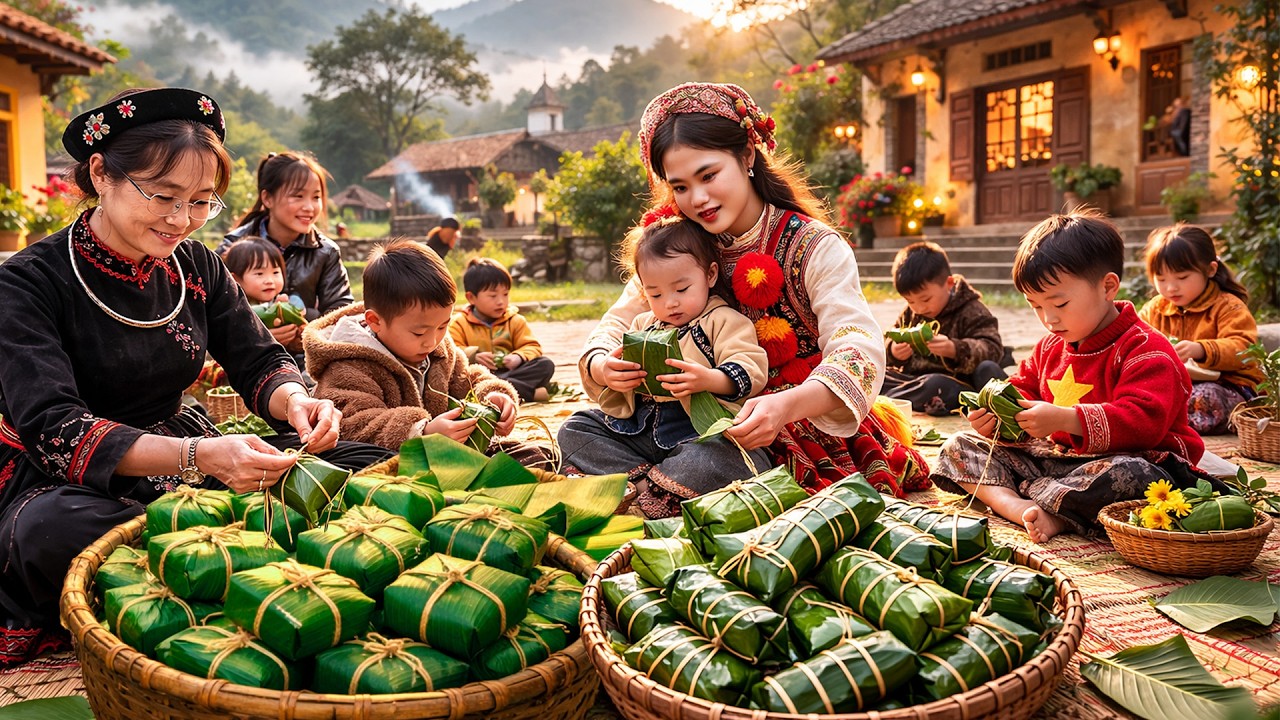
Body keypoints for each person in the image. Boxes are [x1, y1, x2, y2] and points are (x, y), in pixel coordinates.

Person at [0, 88, 388, 667]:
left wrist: (296, 402)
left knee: (361, 461)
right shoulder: (28, 281)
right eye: (163, 196)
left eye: (204, 202)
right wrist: (196, 458)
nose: (182, 220)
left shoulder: (197, 266)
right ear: (101, 173)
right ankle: (247, 552)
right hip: (66, 479)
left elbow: (259, 360)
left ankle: (223, 557)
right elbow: (55, 428)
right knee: (55, 533)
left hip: (197, 448)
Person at [572, 82, 927, 508]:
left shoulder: (814, 246)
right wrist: (602, 365)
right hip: (671, 420)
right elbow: (617, 321)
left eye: (708, 176)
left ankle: (643, 492)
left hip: (771, 424)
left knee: (725, 455)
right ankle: (664, 488)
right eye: (680, 186)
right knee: (579, 431)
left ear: (746, 156)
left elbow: (858, 349)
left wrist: (785, 406)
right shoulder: (679, 245)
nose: (697, 199)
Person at [932, 212, 1215, 543]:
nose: (1049, 319)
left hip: (1125, 463)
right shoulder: (1051, 345)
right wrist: (994, 416)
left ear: (1108, 287)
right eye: (1035, 306)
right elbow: (1021, 386)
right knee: (959, 446)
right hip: (1056, 464)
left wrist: (1067, 420)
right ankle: (1016, 505)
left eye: (1060, 303)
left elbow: (1144, 422)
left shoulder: (1147, 349)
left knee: (1135, 476)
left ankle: (1056, 513)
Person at [559, 216, 770, 516]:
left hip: (697, 434)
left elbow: (751, 368)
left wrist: (709, 379)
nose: (670, 303)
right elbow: (616, 373)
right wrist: (615, 374)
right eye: (655, 294)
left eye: (682, 289)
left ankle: (639, 490)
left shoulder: (722, 320)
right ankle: (649, 486)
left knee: (732, 458)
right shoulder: (643, 323)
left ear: (710, 275)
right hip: (640, 429)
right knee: (575, 427)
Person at [304, 240, 548, 465]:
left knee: (535, 457)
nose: (431, 342)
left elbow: (467, 378)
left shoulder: (440, 349)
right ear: (375, 321)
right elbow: (353, 423)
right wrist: (422, 432)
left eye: (443, 326)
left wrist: (493, 395)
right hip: (391, 463)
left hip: (448, 456)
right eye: (419, 333)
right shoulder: (347, 364)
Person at [218, 151, 354, 354]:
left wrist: (307, 330)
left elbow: (343, 313)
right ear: (267, 198)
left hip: (307, 359)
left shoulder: (326, 252)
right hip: (246, 358)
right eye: (298, 196)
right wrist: (257, 331)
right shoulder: (233, 246)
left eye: (316, 197)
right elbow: (214, 311)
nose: (309, 207)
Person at [1138, 223, 1263, 434]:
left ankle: (1168, 425)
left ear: (1210, 270)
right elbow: (1136, 337)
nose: (1171, 287)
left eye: (1182, 278)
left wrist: (1201, 349)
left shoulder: (1227, 305)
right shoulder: (1155, 309)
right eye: (1161, 279)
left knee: (1204, 398)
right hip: (1177, 386)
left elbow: (1244, 348)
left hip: (1230, 386)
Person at [880, 241, 1008, 416]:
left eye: (925, 299)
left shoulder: (972, 309)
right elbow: (889, 340)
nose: (919, 308)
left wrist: (954, 349)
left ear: (949, 283)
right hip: (915, 381)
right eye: (910, 301)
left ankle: (888, 400)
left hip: (956, 383)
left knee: (938, 385)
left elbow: (993, 349)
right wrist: (893, 351)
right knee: (876, 375)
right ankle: (893, 398)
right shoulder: (910, 313)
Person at [449, 257, 556, 403]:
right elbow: (451, 352)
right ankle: (529, 393)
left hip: (511, 372)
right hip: (478, 376)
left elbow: (532, 347)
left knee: (545, 364)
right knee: (460, 381)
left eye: (505, 294)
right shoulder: (459, 323)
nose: (501, 301)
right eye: (493, 296)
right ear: (471, 297)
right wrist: (473, 356)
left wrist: (519, 357)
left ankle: (495, 387)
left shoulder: (515, 321)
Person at [222, 236, 290, 305]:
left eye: (275, 272)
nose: (270, 281)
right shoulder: (235, 308)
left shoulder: (278, 303)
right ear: (235, 279)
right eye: (259, 274)